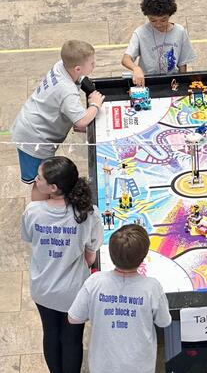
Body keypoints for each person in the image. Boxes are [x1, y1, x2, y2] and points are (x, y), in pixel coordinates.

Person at [21, 156, 102, 373]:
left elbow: (29, 238)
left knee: (51, 334)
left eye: (39, 178)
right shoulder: (88, 213)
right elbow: (91, 256)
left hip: (43, 288)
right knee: (72, 340)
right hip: (73, 291)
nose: (35, 181)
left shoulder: (33, 211)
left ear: (54, 187)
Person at [68, 224, 171, 373]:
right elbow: (164, 321)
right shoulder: (152, 287)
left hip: (102, 366)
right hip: (140, 367)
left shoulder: (94, 281)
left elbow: (73, 318)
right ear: (144, 256)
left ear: (110, 253)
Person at [11, 40, 105, 201]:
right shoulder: (66, 91)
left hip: (32, 123)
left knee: (46, 178)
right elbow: (81, 122)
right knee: (42, 180)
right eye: (92, 63)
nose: (94, 65)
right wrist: (95, 104)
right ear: (77, 68)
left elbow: (79, 79)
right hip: (34, 139)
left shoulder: (61, 66)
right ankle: (38, 212)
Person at [122, 0, 197, 86]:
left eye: (163, 20)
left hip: (172, 81)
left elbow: (182, 64)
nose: (158, 24)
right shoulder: (140, 33)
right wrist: (136, 68)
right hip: (147, 81)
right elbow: (126, 59)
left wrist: (183, 83)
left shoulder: (179, 32)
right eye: (153, 20)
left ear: (170, 15)